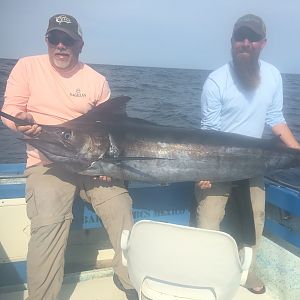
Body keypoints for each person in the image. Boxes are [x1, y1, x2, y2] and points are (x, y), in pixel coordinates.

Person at [1, 14, 137, 300]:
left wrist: (107, 164)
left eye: (68, 40)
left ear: (80, 44)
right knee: (48, 223)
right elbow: (12, 110)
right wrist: (20, 120)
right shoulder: (27, 67)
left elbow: (111, 128)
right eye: (55, 39)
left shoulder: (96, 81)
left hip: (96, 162)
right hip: (47, 161)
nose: (61, 46)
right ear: (47, 41)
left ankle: (130, 281)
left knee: (121, 209)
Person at [195, 14, 300, 294]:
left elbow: (276, 119)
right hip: (217, 163)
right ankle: (208, 274)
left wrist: (297, 151)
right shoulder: (216, 81)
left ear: (263, 43)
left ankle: (248, 272)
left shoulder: (273, 75)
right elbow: (208, 132)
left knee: (255, 220)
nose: (245, 43)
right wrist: (203, 171)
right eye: (240, 37)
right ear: (231, 42)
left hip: (252, 164)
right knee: (209, 218)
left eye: (252, 38)